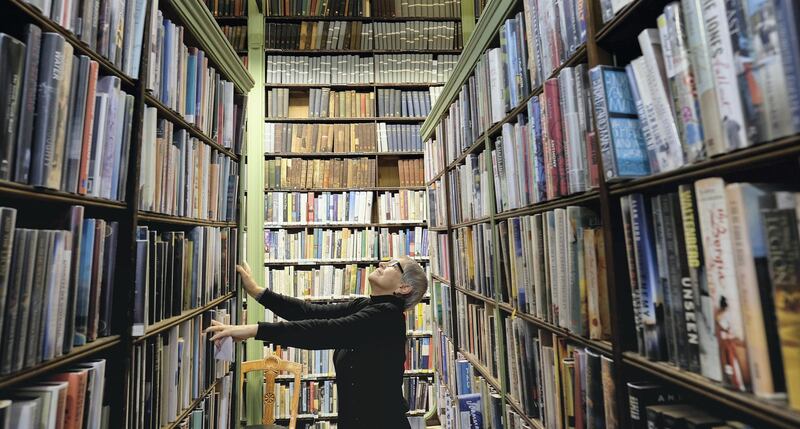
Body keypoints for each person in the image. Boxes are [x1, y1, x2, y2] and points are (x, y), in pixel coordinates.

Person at [205, 256, 429, 429]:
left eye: (392, 265)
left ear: (403, 288)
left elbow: (325, 332)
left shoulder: (386, 316)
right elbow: (310, 312)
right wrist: (257, 292)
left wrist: (254, 330)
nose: (382, 263)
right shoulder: (366, 305)